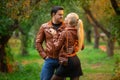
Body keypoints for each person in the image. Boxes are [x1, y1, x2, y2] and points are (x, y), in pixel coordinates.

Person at [51, 12, 84, 80]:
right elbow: (82, 47)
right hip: (75, 60)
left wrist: (54, 35)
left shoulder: (65, 32)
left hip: (67, 61)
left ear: (69, 21)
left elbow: (56, 47)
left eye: (66, 17)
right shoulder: (78, 31)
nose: (64, 18)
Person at [35, 6, 65, 80]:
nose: (62, 16)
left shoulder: (66, 26)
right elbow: (38, 42)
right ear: (53, 14)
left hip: (62, 60)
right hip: (49, 59)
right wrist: (44, 56)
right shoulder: (44, 27)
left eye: (62, 14)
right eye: (60, 14)